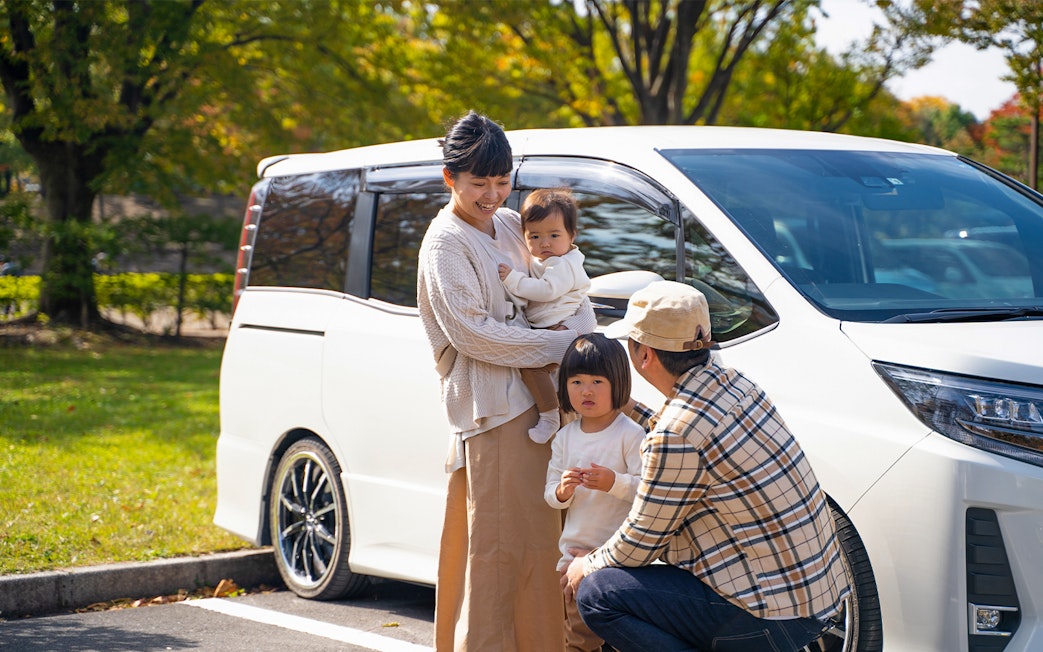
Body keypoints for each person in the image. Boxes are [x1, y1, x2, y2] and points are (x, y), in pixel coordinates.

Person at [562, 280, 851, 651]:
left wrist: (585, 564)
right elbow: (690, 436)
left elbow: (639, 543)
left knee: (598, 592)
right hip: (814, 598)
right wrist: (624, 406)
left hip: (770, 617)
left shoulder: (676, 435)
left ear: (644, 355)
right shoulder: (736, 383)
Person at [417, 110, 597, 652]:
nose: (494, 194)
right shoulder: (446, 243)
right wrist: (562, 346)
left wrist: (578, 341)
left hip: (540, 407)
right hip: (495, 412)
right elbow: (476, 335)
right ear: (450, 179)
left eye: (502, 181)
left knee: (541, 548)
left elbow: (564, 293)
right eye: (479, 183)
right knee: (499, 557)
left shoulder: (509, 225)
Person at [545, 332, 644, 652]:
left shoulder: (630, 433)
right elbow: (550, 494)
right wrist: (563, 491)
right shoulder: (565, 437)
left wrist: (613, 482)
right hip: (573, 557)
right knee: (578, 636)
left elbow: (647, 491)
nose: (586, 390)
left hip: (619, 559)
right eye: (576, 382)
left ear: (618, 384)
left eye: (597, 381)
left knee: (618, 636)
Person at [498, 187, 591, 443]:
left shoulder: (562, 264)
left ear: (572, 235)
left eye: (554, 235)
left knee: (533, 368)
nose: (544, 243)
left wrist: (512, 280)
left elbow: (547, 291)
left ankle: (550, 417)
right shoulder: (549, 259)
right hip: (553, 329)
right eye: (535, 236)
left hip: (560, 331)